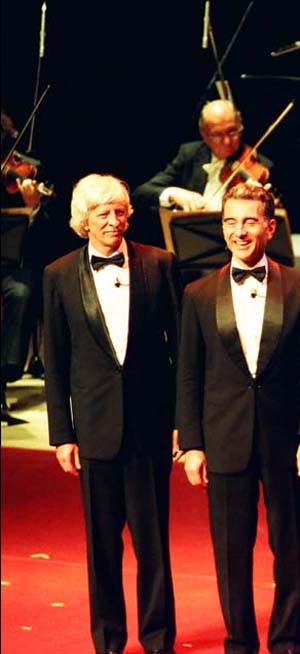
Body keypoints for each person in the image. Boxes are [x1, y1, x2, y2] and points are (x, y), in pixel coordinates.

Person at [177, 183, 300, 654]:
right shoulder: (198, 293)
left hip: (286, 440)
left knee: (291, 549)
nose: (238, 232)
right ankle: (238, 642)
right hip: (224, 439)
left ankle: (288, 641)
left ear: (269, 227)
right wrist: (192, 443)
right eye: (230, 222)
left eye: (248, 222)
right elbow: (189, 374)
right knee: (230, 553)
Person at [43, 174, 180, 654]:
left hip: (150, 428)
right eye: (103, 213)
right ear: (83, 220)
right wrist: (62, 433)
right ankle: (108, 641)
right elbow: (55, 360)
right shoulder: (58, 274)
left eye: (120, 211)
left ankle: (158, 640)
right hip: (94, 429)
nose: (113, 221)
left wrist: (182, 422)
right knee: (102, 547)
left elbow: (181, 351)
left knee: (153, 544)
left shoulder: (160, 264)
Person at [132, 100, 272, 244]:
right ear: (204, 135)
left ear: (240, 127)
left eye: (232, 131)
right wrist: (173, 193)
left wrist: (265, 206)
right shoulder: (190, 155)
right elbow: (141, 193)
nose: (227, 141)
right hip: (189, 242)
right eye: (217, 135)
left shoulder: (261, 166)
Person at [1, 110, 48, 418]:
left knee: (21, 290)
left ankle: (5, 373)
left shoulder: (21, 175)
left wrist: (33, 208)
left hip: (7, 264)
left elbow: (44, 236)